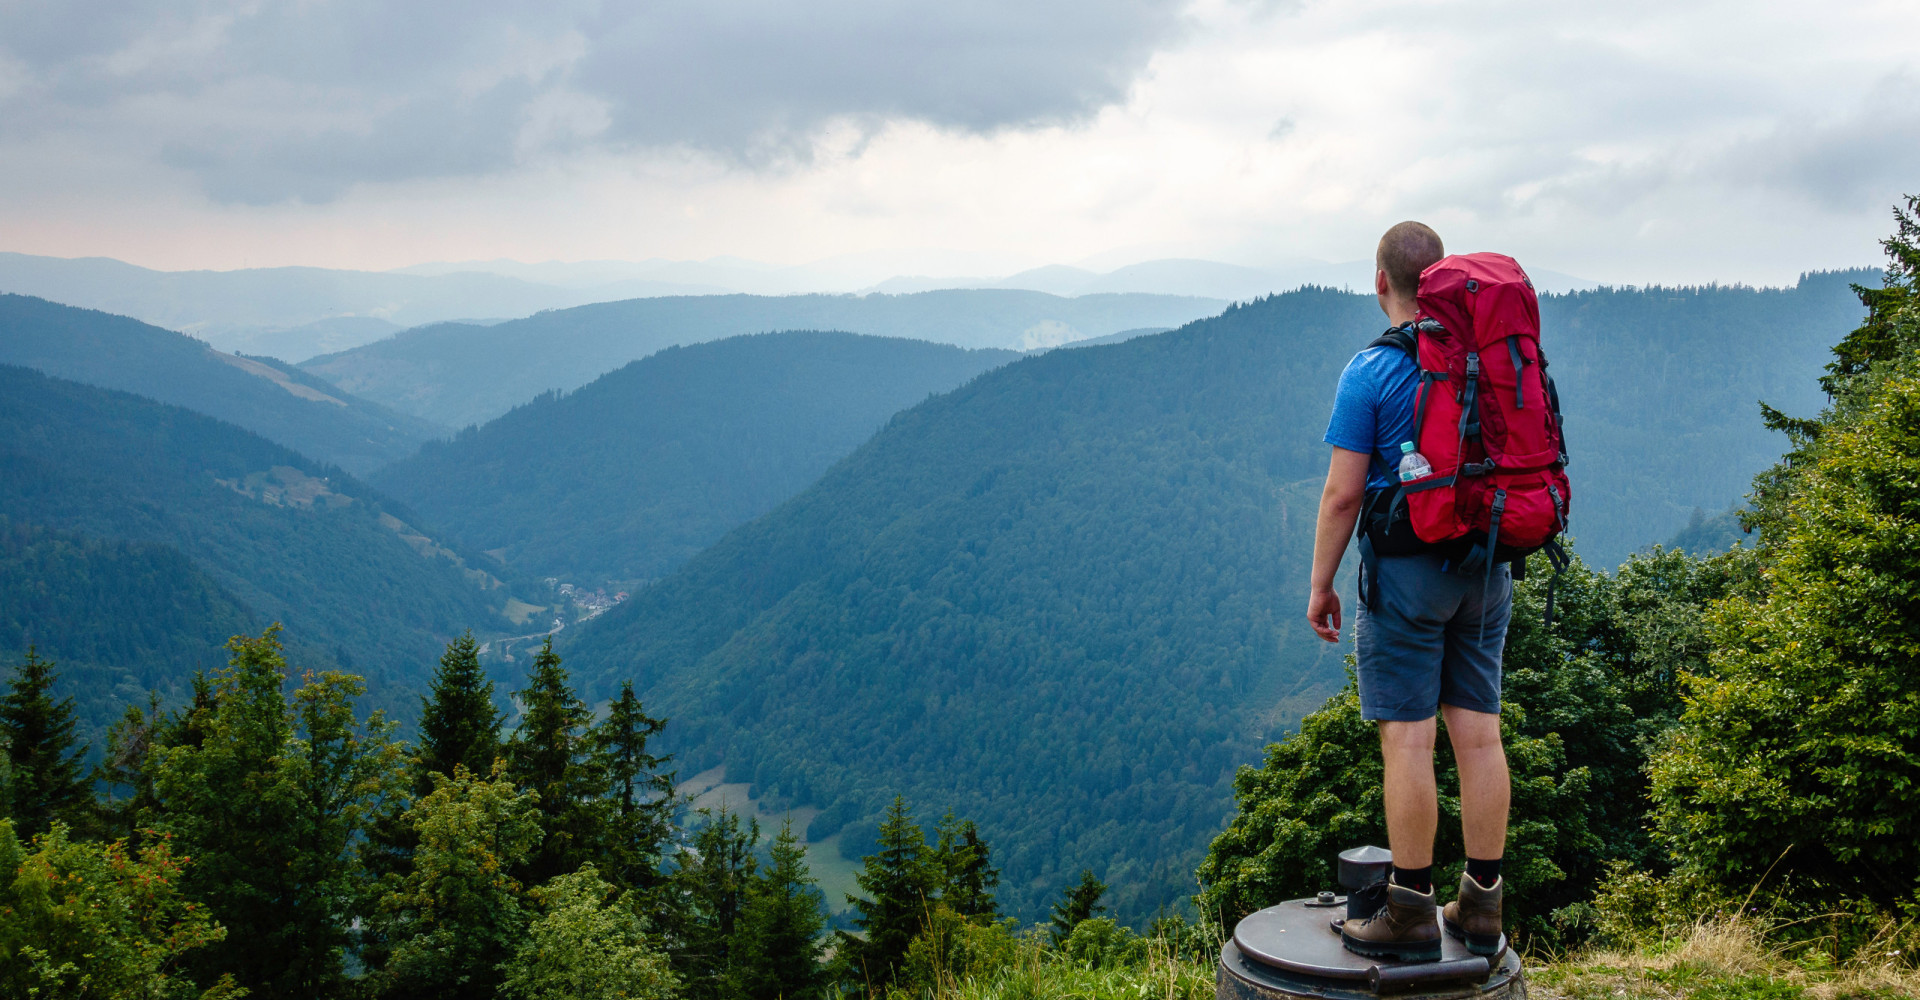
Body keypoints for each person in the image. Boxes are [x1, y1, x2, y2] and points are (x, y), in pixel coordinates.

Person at [1306, 221, 1510, 962]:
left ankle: (1412, 909)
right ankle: (1482, 904)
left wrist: (1321, 584)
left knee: (1410, 740)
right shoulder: (1486, 358)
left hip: (1406, 574)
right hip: (1488, 570)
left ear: (1379, 282)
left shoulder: (1370, 370)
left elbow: (1341, 496)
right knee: (1480, 735)